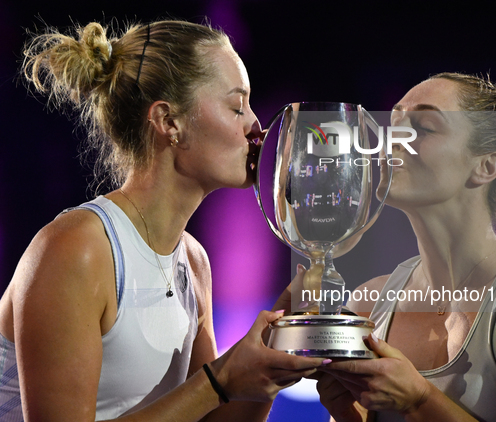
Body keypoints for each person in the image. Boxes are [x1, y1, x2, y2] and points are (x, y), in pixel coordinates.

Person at [0, 19, 330, 421]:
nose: (256, 127)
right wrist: (220, 379)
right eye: (237, 105)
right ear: (168, 122)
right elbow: (212, 389)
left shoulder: (193, 262)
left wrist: (279, 341)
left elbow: (213, 416)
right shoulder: (77, 249)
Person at [305, 72, 496, 421]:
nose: (389, 141)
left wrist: (419, 401)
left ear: (486, 166)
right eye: (393, 124)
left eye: (423, 127)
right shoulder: (367, 303)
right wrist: (348, 414)